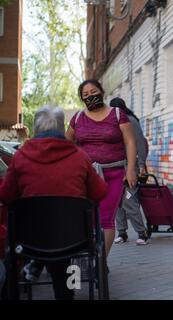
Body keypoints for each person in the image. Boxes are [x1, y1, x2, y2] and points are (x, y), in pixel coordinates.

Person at [0, 106, 108, 300]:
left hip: (29, 239)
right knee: (62, 245)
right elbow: (100, 193)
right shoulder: (80, 157)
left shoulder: (20, 158)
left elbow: (7, 196)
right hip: (74, 238)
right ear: (61, 127)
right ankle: (65, 293)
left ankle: (31, 271)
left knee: (44, 236)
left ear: (36, 129)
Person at [66, 80, 138, 260]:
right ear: (82, 98)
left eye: (94, 91)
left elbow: (130, 142)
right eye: (86, 94)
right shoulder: (77, 118)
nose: (91, 96)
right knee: (86, 218)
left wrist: (130, 169)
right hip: (85, 176)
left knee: (106, 218)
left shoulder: (117, 114)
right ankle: (89, 256)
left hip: (113, 174)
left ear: (102, 92)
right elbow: (67, 145)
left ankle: (100, 262)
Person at [110, 97, 149, 246]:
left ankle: (141, 233)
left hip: (130, 167)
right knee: (117, 202)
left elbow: (140, 144)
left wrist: (140, 166)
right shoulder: (114, 122)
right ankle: (122, 232)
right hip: (116, 166)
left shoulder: (130, 121)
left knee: (129, 199)